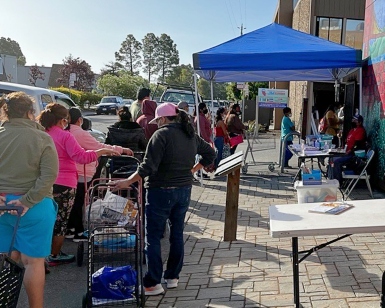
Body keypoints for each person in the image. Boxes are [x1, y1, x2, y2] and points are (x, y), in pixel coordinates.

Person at [112, 103, 216, 296]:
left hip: (160, 190)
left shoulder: (160, 135)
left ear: (162, 119)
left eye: (157, 120)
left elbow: (148, 167)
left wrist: (127, 181)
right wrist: (192, 170)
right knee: (177, 234)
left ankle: (153, 283)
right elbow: (210, 153)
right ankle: (172, 277)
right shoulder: (190, 134)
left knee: (152, 237)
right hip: (184, 190)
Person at [38, 103, 120, 266]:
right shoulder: (65, 136)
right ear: (63, 120)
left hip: (43, 182)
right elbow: (81, 156)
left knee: (45, 219)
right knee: (60, 221)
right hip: (65, 183)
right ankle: (54, 255)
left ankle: (40, 255)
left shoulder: (41, 134)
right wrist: (101, 152)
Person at [0, 92, 59, 308]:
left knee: (8, 258)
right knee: (33, 262)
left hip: (2, 205)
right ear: (29, 112)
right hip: (32, 207)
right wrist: (27, 200)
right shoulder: (42, 138)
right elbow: (49, 175)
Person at [66, 107, 133, 242]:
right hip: (81, 172)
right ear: (80, 120)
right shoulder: (79, 133)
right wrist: (121, 150)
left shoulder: (64, 132)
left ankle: (70, 229)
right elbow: (98, 147)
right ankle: (78, 232)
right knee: (79, 202)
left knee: (72, 202)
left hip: (68, 172)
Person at [331, 115, 367, 184]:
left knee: (336, 162)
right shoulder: (352, 130)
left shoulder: (360, 131)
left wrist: (349, 151)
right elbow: (347, 142)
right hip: (346, 152)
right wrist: (342, 148)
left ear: (359, 122)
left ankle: (338, 182)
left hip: (353, 155)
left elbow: (357, 145)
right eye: (353, 119)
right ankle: (332, 178)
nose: (353, 121)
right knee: (332, 158)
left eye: (355, 120)